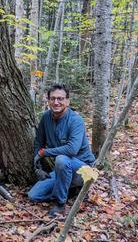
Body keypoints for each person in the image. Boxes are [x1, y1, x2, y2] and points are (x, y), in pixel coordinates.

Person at [27, 84, 95, 217]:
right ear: (48, 101)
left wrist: (45, 152)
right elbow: (38, 143)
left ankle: (60, 204)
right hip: (61, 170)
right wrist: (37, 168)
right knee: (33, 195)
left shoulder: (76, 120)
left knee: (62, 159)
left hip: (84, 170)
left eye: (60, 99)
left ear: (67, 101)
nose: (56, 102)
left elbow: (72, 149)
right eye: (52, 99)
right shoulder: (46, 118)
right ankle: (68, 189)